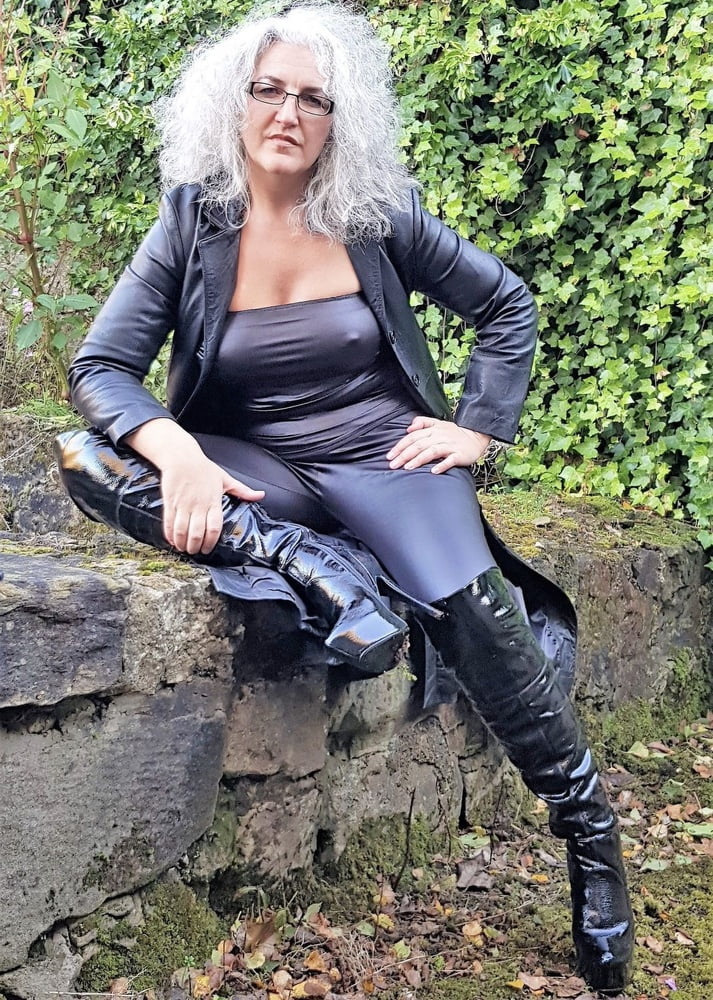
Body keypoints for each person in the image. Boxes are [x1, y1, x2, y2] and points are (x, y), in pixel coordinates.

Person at [55, 1, 633, 991]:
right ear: (234, 101)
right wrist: (177, 452)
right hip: (255, 465)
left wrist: (478, 430)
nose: (286, 112)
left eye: (311, 98)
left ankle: (589, 832)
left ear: (338, 118)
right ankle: (300, 557)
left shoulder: (374, 212)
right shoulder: (192, 218)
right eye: (267, 90)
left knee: (471, 611)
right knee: (84, 457)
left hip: (384, 455)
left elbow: (504, 304)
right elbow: (100, 366)